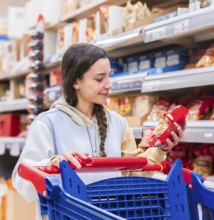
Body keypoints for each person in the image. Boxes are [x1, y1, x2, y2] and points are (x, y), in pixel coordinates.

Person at [12, 43, 185, 217]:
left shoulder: (117, 123)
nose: (108, 85)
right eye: (99, 78)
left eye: (109, 77)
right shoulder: (47, 124)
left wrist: (161, 149)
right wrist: (51, 164)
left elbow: (133, 173)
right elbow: (22, 183)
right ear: (76, 81)